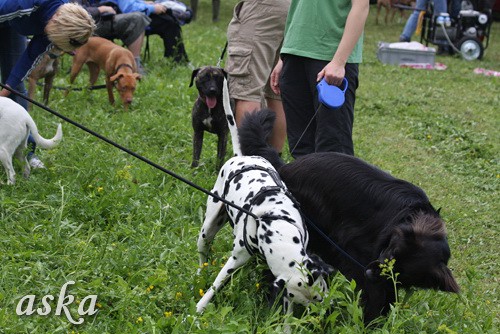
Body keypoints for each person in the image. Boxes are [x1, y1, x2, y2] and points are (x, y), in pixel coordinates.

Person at [0, 0, 95, 168]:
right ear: (55, 20)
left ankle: (27, 153)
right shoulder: (25, 4)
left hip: (13, 24)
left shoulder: (61, 26)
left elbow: (28, 60)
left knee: (16, 89)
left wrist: (5, 92)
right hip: (6, 8)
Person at [270, 0, 369, 158]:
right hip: (294, 53)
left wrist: (339, 61)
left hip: (331, 57)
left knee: (334, 146)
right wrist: (285, 55)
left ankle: (334, 184)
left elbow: (361, 7)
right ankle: (305, 183)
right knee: (300, 145)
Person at [225, 0, 290, 152]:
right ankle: (272, 163)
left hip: (262, 9)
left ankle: (249, 164)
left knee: (247, 90)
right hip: (293, 9)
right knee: (276, 91)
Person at [73, 0, 151, 75]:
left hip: (106, 17)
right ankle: (133, 67)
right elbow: (76, 12)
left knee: (139, 17)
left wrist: (143, 3)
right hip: (88, 25)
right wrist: (100, 9)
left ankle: (132, 65)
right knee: (137, 18)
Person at [107, 0, 190, 63]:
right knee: (168, 22)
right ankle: (177, 59)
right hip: (121, 20)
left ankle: (178, 58)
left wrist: (144, 3)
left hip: (131, 15)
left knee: (169, 20)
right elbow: (128, 9)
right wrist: (153, 8)